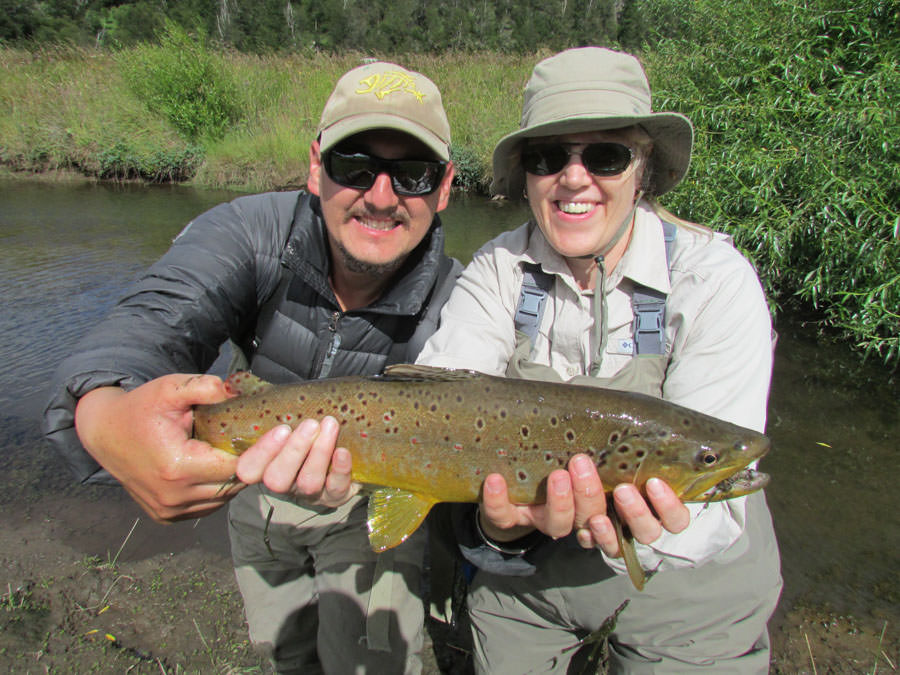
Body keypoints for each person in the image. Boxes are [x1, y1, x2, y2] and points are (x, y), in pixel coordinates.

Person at [43, 61, 461, 674]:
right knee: (286, 657)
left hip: (369, 506)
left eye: (413, 174)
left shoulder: (463, 303)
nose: (380, 196)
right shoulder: (248, 233)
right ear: (316, 166)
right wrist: (106, 412)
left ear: (445, 187)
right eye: (354, 166)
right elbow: (152, 320)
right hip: (252, 497)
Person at [417, 47, 782, 673]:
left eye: (606, 156)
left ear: (643, 170)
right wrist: (499, 529)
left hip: (691, 583)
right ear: (527, 175)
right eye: (548, 157)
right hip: (531, 571)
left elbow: (715, 516)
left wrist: (634, 529)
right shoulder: (497, 271)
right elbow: (433, 410)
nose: (575, 178)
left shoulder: (714, 280)